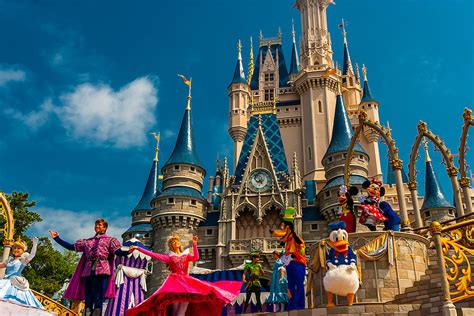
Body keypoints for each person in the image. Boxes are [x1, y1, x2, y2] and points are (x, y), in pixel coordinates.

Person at [126, 235, 241, 316]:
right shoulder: (169, 257)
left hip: (186, 284)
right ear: (171, 246)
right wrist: (138, 248)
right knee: (175, 311)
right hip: (174, 284)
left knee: (182, 310)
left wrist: (195, 244)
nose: (175, 244)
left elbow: (196, 258)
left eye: (176, 242)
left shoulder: (186, 255)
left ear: (179, 244)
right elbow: (153, 254)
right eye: (173, 243)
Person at [49, 218, 128, 316]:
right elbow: (71, 247)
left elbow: (117, 252)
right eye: (96, 225)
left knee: (99, 295)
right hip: (88, 270)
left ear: (105, 228)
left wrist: (128, 251)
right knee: (88, 295)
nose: (97, 226)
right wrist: (57, 238)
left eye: (99, 225)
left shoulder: (110, 240)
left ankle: (97, 313)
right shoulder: (87, 242)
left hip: (103, 269)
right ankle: (87, 313)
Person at [0, 236, 44, 309]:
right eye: (14, 248)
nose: (16, 250)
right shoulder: (10, 260)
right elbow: (1, 265)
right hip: (5, 281)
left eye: (18, 248)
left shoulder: (23, 260)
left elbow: (32, 255)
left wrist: (35, 244)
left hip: (16, 283)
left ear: (23, 250)